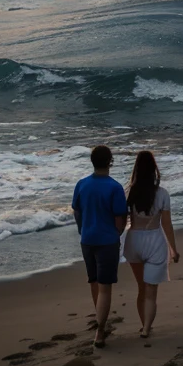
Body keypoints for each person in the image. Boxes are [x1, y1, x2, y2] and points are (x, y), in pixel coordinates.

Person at [71, 145, 127, 348]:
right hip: (107, 241)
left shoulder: (82, 184)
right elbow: (120, 218)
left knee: (94, 282)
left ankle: (99, 319)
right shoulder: (114, 187)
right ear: (110, 161)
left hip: (87, 238)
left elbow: (77, 212)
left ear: (92, 161)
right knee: (105, 287)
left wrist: (81, 229)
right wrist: (117, 233)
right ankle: (100, 330)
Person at [123, 150, 180, 339]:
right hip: (155, 240)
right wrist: (173, 249)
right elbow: (167, 224)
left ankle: (143, 325)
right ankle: (147, 328)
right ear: (154, 169)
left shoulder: (129, 191)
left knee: (141, 287)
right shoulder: (162, 194)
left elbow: (122, 221)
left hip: (133, 241)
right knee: (151, 290)